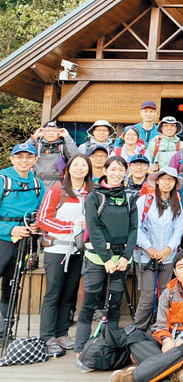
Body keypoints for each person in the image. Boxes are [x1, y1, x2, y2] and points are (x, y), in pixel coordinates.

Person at [109, 249, 183, 382]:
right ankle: (177, 371)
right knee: (135, 337)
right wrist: (166, 339)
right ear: (175, 272)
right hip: (170, 341)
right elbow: (160, 324)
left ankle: (135, 376)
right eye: (181, 267)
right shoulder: (169, 293)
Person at [75, 155, 137, 364]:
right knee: (90, 302)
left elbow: (133, 228)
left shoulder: (129, 198)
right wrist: (106, 257)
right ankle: (81, 348)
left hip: (121, 260)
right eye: (113, 169)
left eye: (121, 170)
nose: (117, 174)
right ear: (106, 170)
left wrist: (126, 257)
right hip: (97, 258)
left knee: (114, 303)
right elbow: (94, 228)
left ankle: (109, 345)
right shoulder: (94, 196)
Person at [37, 154, 92, 357]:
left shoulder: (90, 193)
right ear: (68, 169)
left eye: (83, 166)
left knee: (69, 295)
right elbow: (43, 219)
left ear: (88, 170)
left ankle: (62, 333)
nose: (79, 169)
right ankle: (47, 337)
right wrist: (70, 227)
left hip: (78, 250)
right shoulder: (56, 191)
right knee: (53, 294)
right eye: (75, 165)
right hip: (57, 250)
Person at [0, 143, 45, 341]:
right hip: (3, 239)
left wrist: (36, 226)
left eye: (29, 157)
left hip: (24, 241)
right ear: (12, 159)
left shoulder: (37, 183)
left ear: (35, 160)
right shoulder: (2, 180)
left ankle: (5, 332)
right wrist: (11, 229)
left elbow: (41, 213)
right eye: (20, 157)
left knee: (12, 284)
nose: (24, 160)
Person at [133, 167, 183, 331]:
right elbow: (136, 227)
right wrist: (149, 248)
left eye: (171, 180)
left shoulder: (176, 203)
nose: (167, 182)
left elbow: (178, 229)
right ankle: (138, 328)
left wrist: (169, 248)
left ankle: (161, 326)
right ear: (157, 181)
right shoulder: (145, 201)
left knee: (165, 294)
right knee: (148, 295)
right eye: (164, 179)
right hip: (145, 256)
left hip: (167, 256)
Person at [28, 120, 79, 189]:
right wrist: (34, 136)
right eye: (48, 131)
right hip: (36, 183)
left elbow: (77, 158)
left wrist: (67, 137)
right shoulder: (37, 146)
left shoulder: (63, 147)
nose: (51, 133)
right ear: (43, 132)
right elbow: (21, 153)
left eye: (54, 131)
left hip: (57, 184)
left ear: (59, 133)